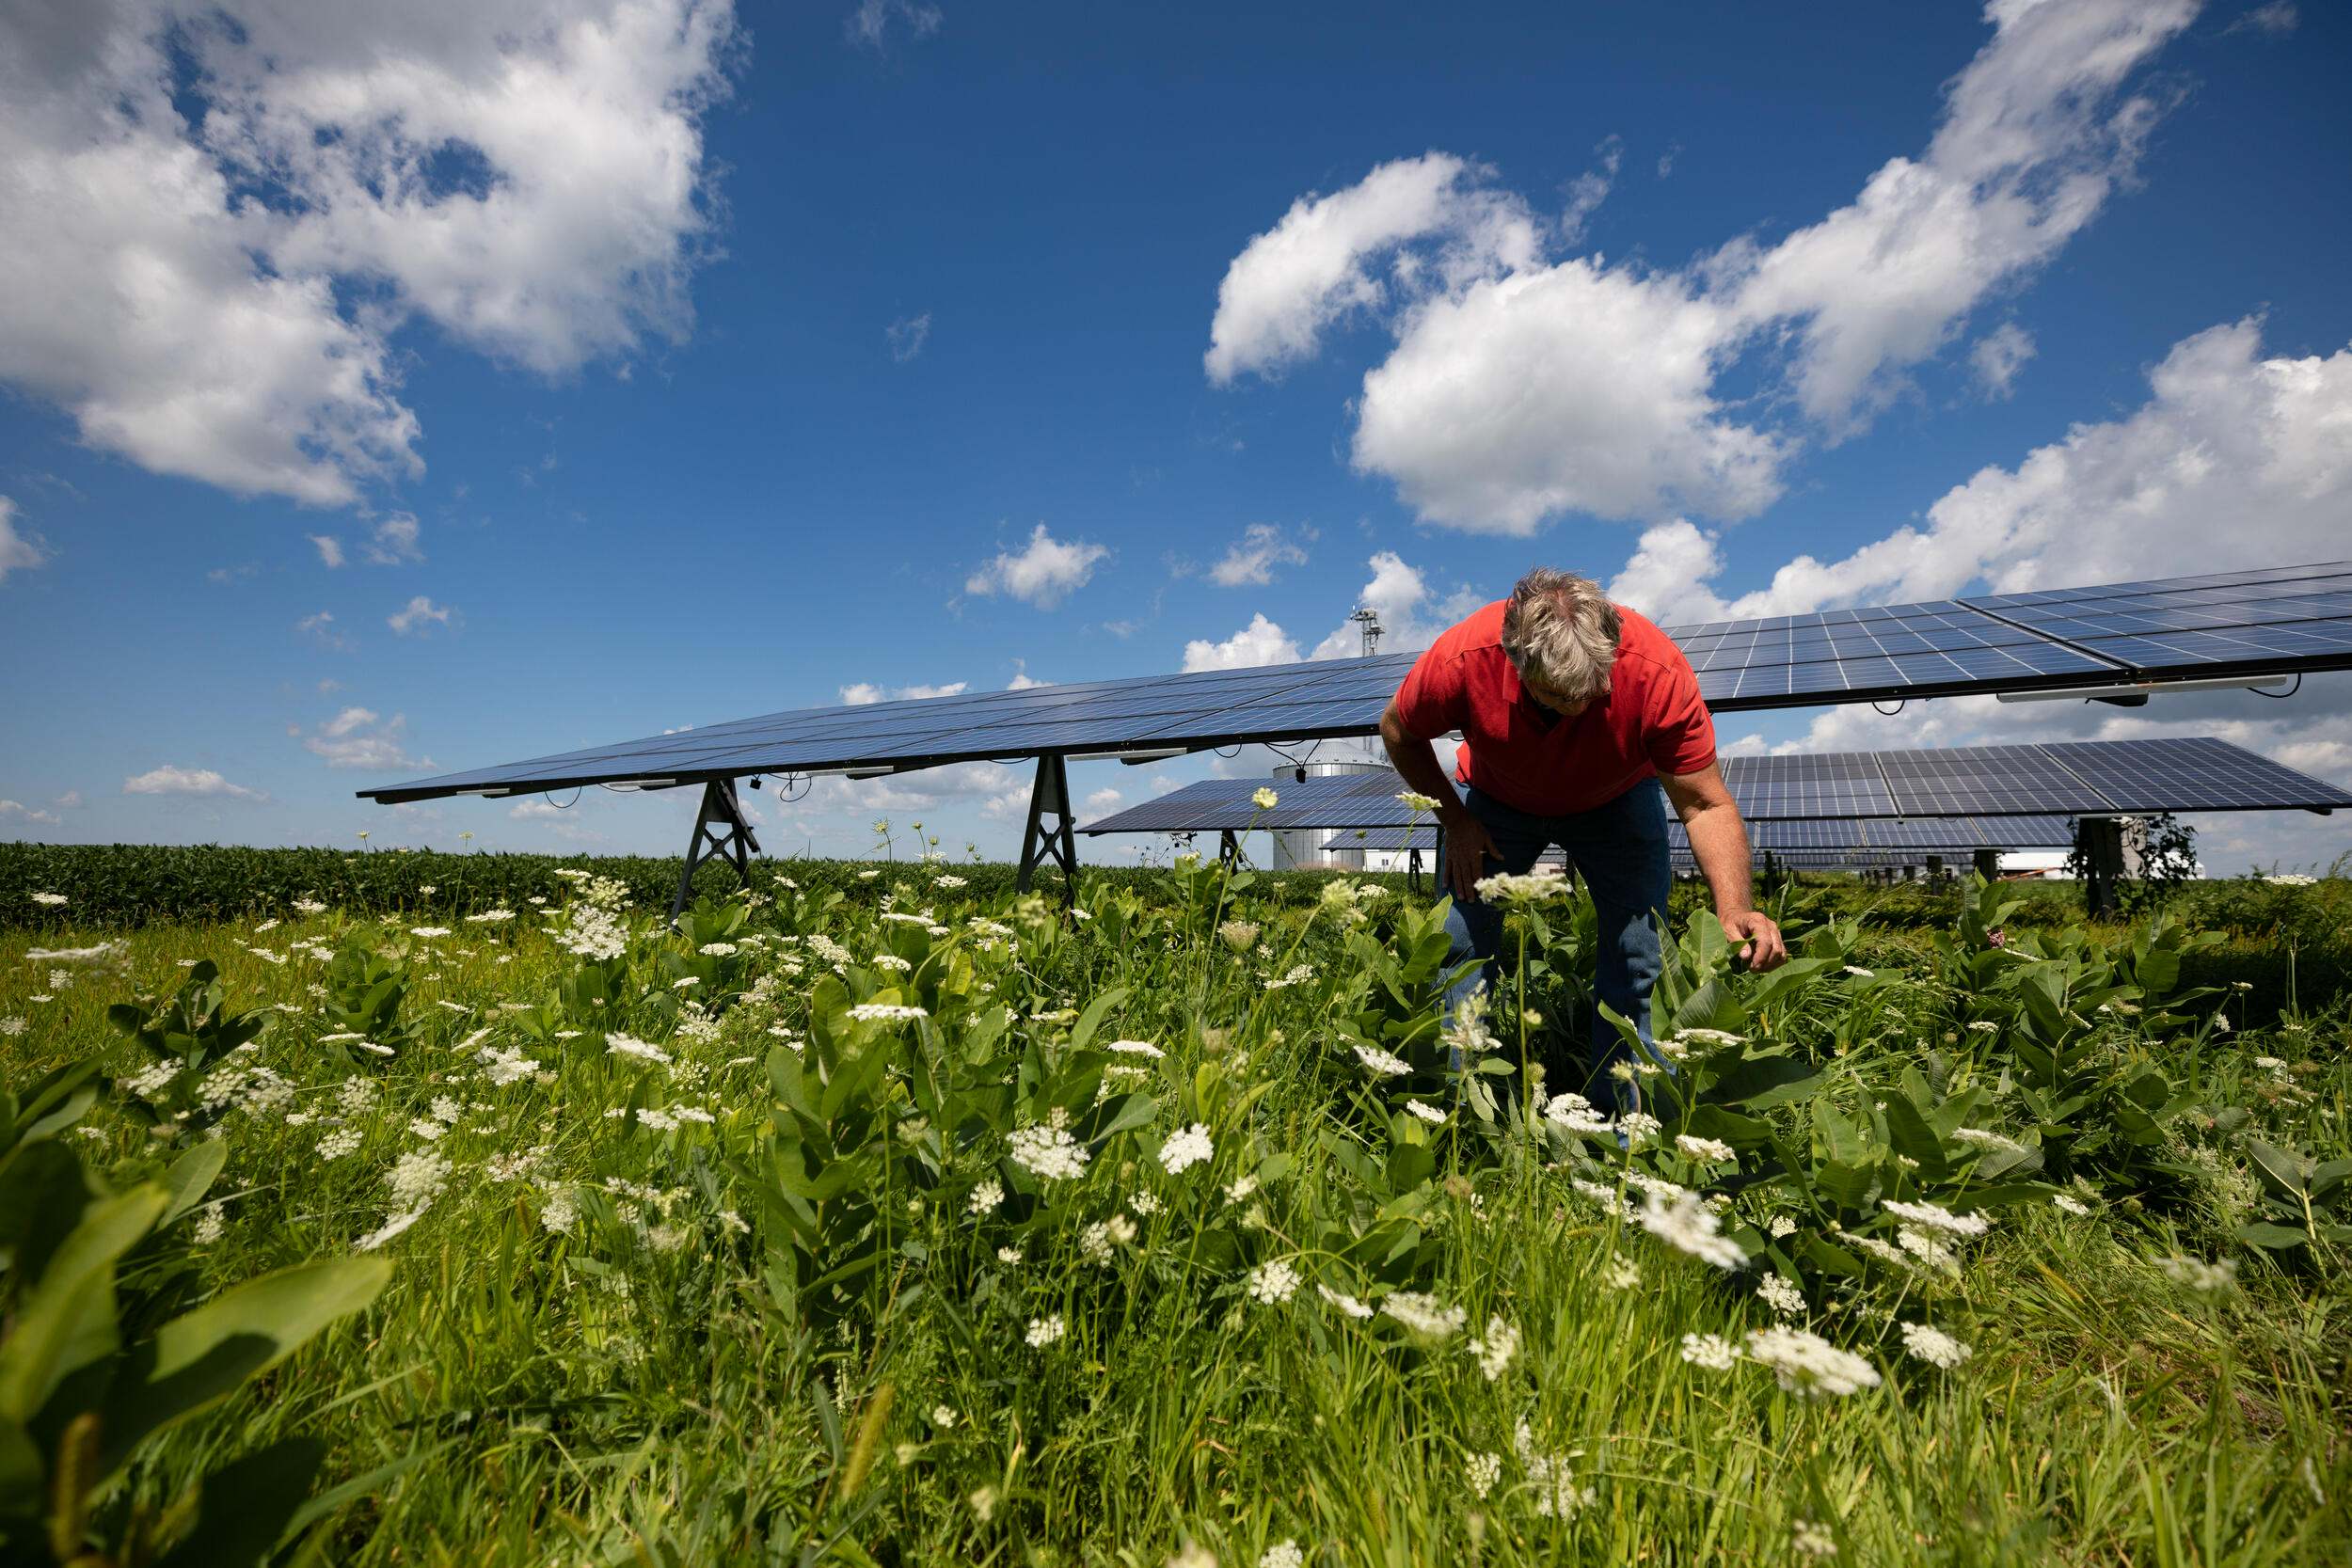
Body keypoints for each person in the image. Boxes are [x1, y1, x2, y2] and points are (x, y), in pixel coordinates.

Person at [1379, 567, 1786, 1108]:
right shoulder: (1463, 658)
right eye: (1557, 697)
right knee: (1458, 941)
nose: (1578, 709)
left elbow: (1705, 803)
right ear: (1514, 658)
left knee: (1638, 954)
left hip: (1617, 802)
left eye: (1593, 693)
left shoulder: (1657, 672)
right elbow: (1398, 732)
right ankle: (1457, 1106)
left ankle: (1626, 1122)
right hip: (1498, 803)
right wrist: (1456, 821)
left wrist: (1734, 908)